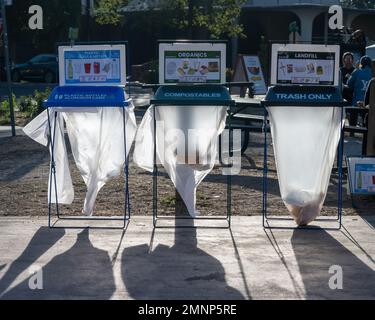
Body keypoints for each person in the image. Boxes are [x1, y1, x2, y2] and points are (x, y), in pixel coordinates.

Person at [346, 55, 372, 126]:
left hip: (356, 102)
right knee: (366, 123)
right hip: (368, 104)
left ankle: (352, 133)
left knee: (353, 119)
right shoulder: (373, 73)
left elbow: (349, 83)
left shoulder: (357, 72)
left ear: (361, 64)